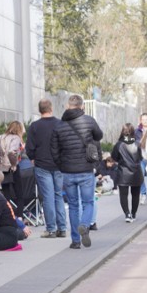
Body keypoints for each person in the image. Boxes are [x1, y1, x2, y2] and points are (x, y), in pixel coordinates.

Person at [50, 94, 103, 249]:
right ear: (82, 106)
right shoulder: (89, 121)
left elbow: (54, 150)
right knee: (88, 202)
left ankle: (75, 241)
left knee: (73, 205)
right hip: (86, 169)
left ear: (68, 106)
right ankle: (85, 225)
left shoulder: (59, 126)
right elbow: (99, 136)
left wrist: (62, 166)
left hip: (67, 172)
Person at [26, 99, 66, 238]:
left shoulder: (34, 127)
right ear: (51, 108)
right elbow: (65, 144)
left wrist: (33, 158)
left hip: (42, 165)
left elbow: (29, 148)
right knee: (58, 195)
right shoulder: (60, 124)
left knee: (48, 197)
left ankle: (51, 229)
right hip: (59, 165)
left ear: (39, 110)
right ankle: (62, 228)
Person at [111, 123, 144, 222]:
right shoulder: (137, 143)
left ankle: (127, 214)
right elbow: (140, 157)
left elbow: (114, 157)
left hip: (123, 172)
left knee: (123, 195)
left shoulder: (119, 144)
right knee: (135, 195)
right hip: (136, 171)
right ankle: (133, 213)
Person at [0, 121, 26, 218]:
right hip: (10, 168)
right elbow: (12, 153)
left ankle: (7, 215)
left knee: (5, 195)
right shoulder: (15, 138)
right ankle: (19, 216)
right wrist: (14, 164)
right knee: (19, 193)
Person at [135, 112, 147, 206]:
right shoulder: (137, 131)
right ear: (140, 120)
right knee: (141, 176)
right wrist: (140, 142)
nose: (145, 121)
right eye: (143, 119)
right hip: (141, 157)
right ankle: (143, 193)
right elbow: (135, 143)